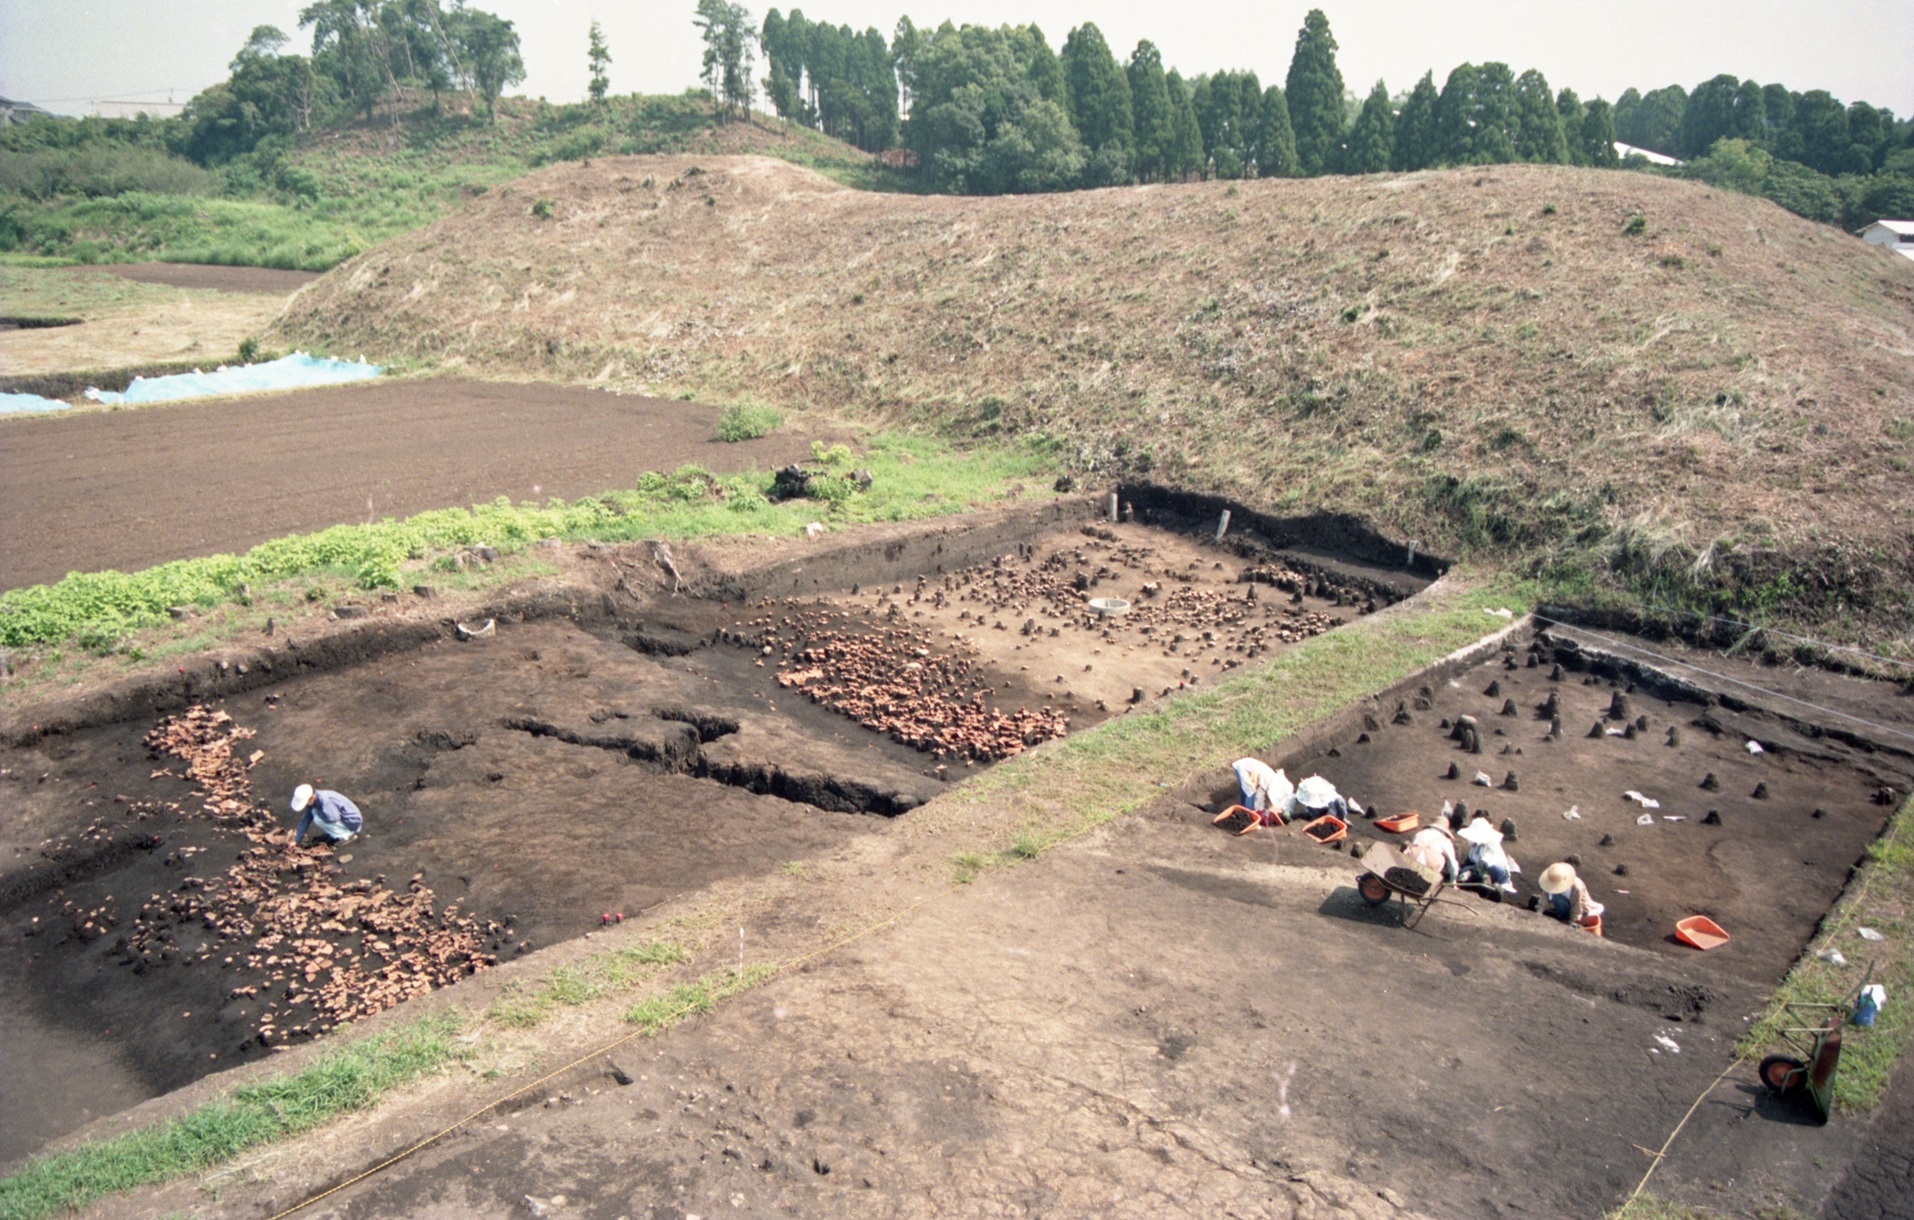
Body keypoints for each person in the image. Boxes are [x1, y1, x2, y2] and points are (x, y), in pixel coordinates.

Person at [1456, 817, 1518, 894]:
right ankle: (1478, 882)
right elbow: (1468, 862)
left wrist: (1468, 873)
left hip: (1497, 871)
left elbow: (1483, 865)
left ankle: (1487, 884)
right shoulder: (1475, 847)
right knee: (1465, 869)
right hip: (1481, 869)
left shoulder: (1492, 845)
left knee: (1490, 870)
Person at [290, 783, 362, 847]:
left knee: (317, 819)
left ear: (311, 797)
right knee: (314, 813)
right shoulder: (314, 801)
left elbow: (333, 818)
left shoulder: (324, 801)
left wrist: (319, 813)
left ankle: (347, 835)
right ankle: (336, 834)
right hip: (345, 818)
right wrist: (297, 840)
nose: (306, 805)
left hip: (352, 820)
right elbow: (306, 819)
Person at [1231, 758, 1295, 823]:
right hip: (1244, 768)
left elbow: (1267, 800)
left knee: (1246, 792)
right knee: (1250, 793)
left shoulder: (1274, 782)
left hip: (1247, 767)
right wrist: (1257, 812)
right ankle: (1247, 818)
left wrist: (1266, 814)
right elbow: (1258, 796)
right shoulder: (1268, 782)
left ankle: (1242, 812)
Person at [1538, 862, 1603, 924]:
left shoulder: (1576, 888)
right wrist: (1539, 911)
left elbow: (1577, 906)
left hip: (1580, 908)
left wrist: (1573, 921)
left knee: (1557, 898)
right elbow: (1545, 895)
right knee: (1543, 887)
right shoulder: (1552, 880)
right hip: (1567, 902)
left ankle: (1562, 917)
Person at [1285, 774, 1350, 824]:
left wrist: (1330, 817)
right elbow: (1293, 798)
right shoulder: (1307, 791)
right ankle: (1315, 819)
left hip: (1329, 810)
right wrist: (1287, 811)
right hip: (1313, 813)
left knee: (1332, 816)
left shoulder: (1328, 792)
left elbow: (1338, 801)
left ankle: (1342, 819)